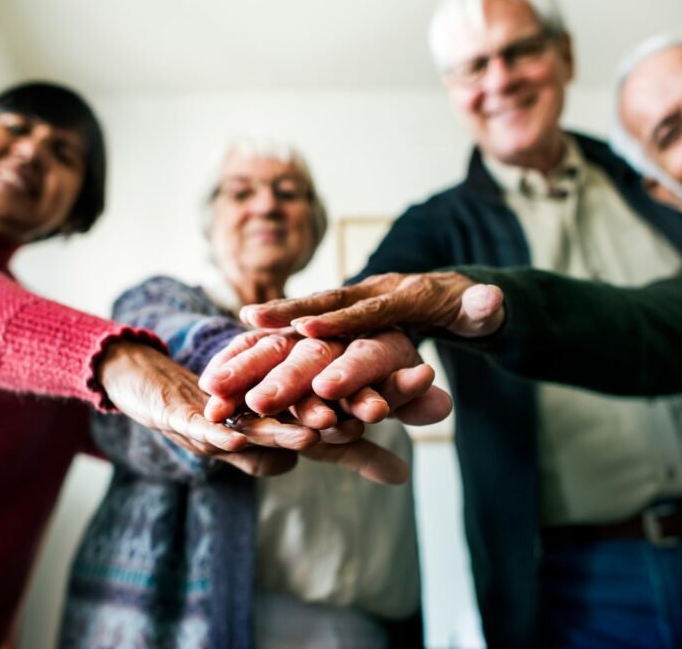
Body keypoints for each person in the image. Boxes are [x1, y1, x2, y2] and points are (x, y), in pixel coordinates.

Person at [208, 0, 682, 647]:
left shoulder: (663, 178)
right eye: (474, 67)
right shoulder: (436, 224)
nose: (500, 81)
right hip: (585, 581)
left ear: (564, 55)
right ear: (453, 90)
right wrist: (340, 351)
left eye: (520, 52)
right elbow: (382, 296)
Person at [0, 83, 422, 647]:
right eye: (15, 127)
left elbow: (127, 432)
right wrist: (125, 362)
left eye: (65, 154)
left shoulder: (347, 342)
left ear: (78, 207)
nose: (32, 152)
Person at [61, 136, 435, 649]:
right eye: (241, 193)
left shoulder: (352, 337)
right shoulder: (159, 301)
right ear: (210, 222)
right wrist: (259, 360)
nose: (267, 205)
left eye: (288, 192)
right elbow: (146, 343)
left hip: (364, 629)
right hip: (196, 629)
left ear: (313, 222)